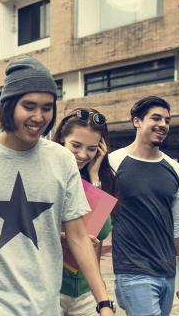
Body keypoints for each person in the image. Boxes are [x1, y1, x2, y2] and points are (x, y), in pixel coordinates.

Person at [0, 57, 115, 316]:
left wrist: (104, 303)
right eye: (28, 106)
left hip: (45, 307)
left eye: (47, 107)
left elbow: (78, 237)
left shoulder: (62, 160)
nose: (38, 117)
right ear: (8, 105)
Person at [107, 96, 179, 316]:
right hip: (132, 270)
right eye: (156, 118)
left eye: (167, 120)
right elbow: (97, 215)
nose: (163, 124)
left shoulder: (175, 169)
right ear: (137, 121)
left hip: (167, 272)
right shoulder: (113, 162)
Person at [51, 108, 117, 316]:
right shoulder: (46, 174)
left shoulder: (96, 178)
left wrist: (94, 175)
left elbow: (101, 229)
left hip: (84, 289)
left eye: (91, 149)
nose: (82, 155)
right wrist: (62, 237)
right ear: (62, 139)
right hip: (52, 286)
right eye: (76, 146)